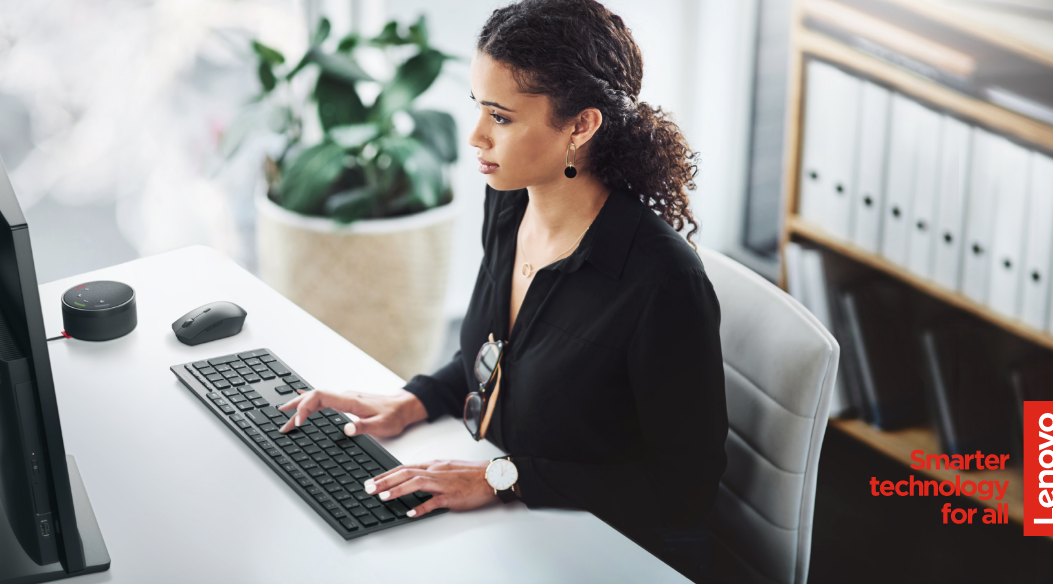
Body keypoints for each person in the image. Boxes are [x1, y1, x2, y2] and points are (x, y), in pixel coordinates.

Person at [279, 0, 728, 580]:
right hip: (513, 528)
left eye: (502, 117)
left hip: (609, 551)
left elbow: (683, 492)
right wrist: (415, 399)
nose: (475, 136)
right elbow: (499, 351)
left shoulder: (660, 283)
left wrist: (502, 478)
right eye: (478, 108)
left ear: (581, 125)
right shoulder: (511, 201)